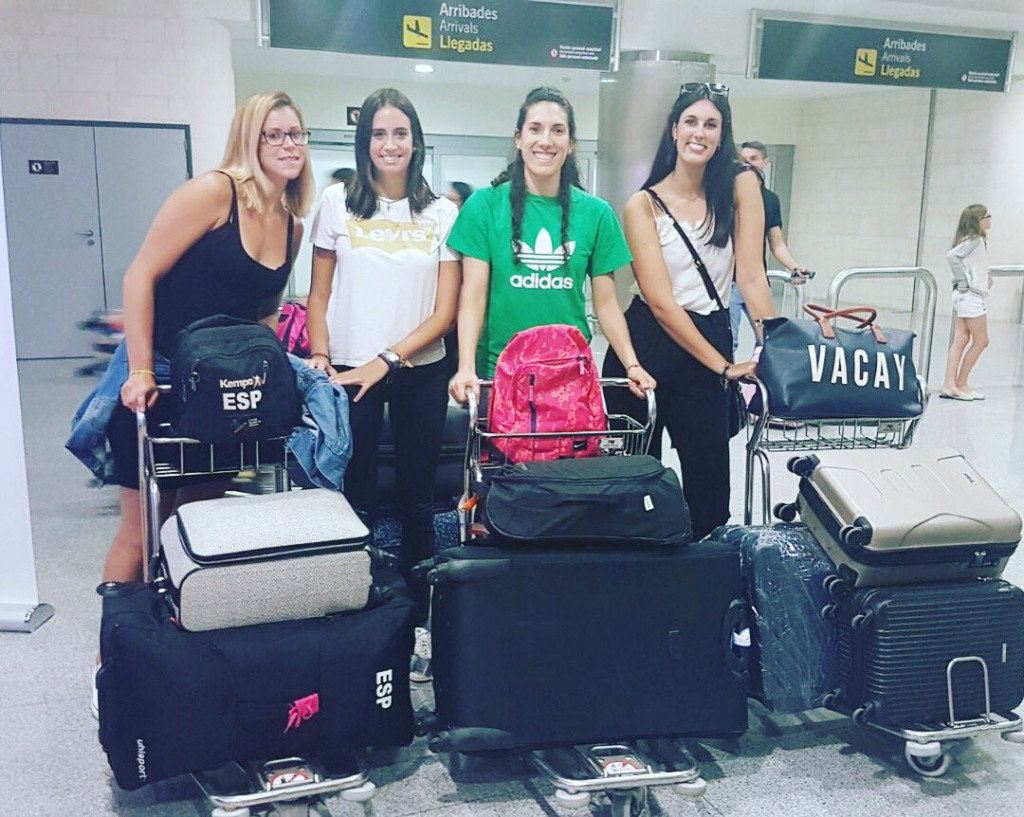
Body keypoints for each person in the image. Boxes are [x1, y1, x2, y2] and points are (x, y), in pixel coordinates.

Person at [68, 91, 313, 588]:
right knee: (140, 533)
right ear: (251, 140)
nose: (290, 145)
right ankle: (114, 653)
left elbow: (264, 313)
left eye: (297, 134)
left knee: (194, 520)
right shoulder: (213, 193)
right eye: (276, 134)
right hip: (157, 370)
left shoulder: (292, 226)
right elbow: (141, 275)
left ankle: (174, 637)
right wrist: (138, 369)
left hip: (218, 387)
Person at [306, 88, 460, 678]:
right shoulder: (337, 202)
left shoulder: (441, 212)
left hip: (418, 371)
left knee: (420, 502)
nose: (390, 144)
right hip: (348, 368)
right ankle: (360, 616)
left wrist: (389, 358)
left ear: (416, 142)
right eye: (379, 134)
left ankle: (418, 623)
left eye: (400, 133)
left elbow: (445, 311)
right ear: (364, 142)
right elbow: (318, 293)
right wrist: (320, 355)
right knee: (357, 498)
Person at [603, 83, 776, 540]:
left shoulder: (740, 186)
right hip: (648, 344)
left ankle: (706, 582)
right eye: (691, 122)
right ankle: (635, 581)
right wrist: (722, 364)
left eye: (711, 124)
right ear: (675, 129)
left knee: (709, 488)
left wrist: (774, 346)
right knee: (633, 483)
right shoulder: (643, 204)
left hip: (711, 333)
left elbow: (752, 275)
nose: (699, 133)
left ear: (723, 135)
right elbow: (659, 302)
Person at [447, 86, 655, 407]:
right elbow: (472, 295)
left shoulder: (596, 213)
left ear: (570, 144)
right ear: (518, 138)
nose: (546, 141)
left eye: (558, 131)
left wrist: (632, 364)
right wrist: (465, 368)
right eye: (535, 129)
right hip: (499, 375)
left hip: (569, 376)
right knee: (502, 459)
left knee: (569, 458)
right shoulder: (484, 206)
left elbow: (607, 304)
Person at [732, 141, 809, 354]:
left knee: (769, 342)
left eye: (753, 159)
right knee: (730, 344)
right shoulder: (728, 196)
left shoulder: (770, 200)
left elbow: (776, 243)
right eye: (743, 160)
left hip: (756, 280)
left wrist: (794, 266)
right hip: (728, 283)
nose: (747, 164)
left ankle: (762, 386)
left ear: (765, 163)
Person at [940, 204, 993, 401]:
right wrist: (962, 280)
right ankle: (960, 383)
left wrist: (985, 275)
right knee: (981, 341)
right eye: (987, 216)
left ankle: (950, 384)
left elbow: (972, 263)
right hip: (970, 296)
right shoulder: (975, 240)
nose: (990, 219)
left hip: (966, 295)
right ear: (977, 221)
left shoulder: (972, 240)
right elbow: (952, 256)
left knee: (961, 339)